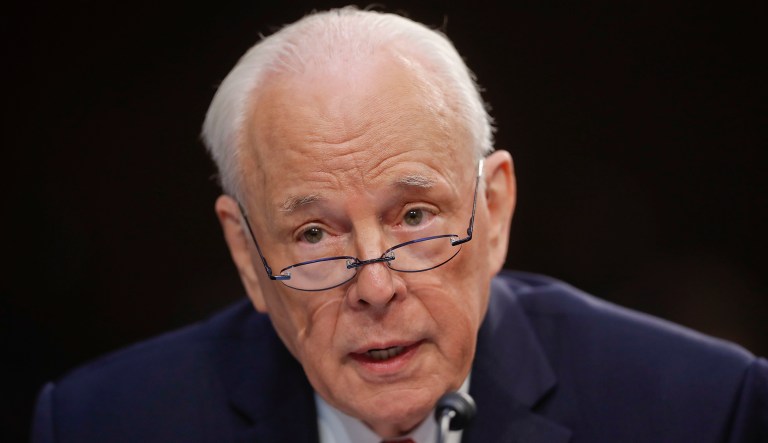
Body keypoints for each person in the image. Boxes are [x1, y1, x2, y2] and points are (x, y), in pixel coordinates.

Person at [32, 7, 766, 443]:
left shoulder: (702, 410)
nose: (375, 286)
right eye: (315, 234)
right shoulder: (105, 422)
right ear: (247, 255)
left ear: (495, 211)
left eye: (415, 216)